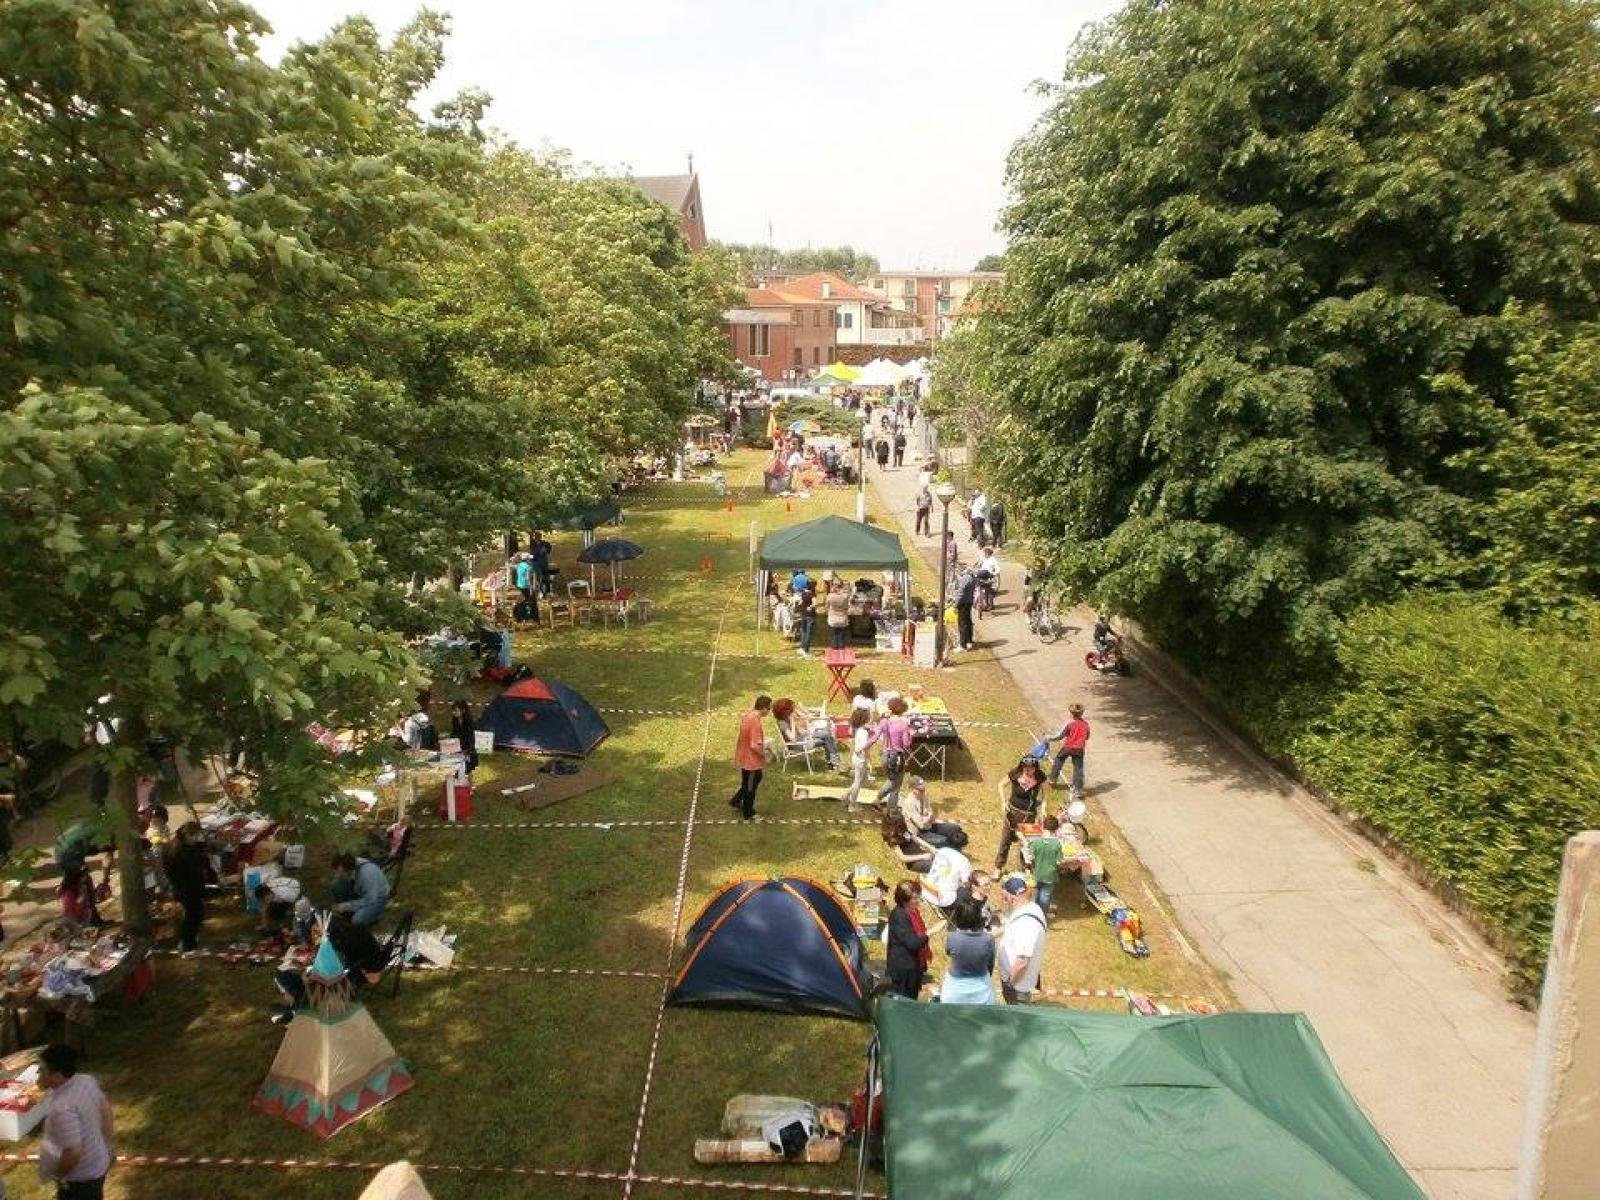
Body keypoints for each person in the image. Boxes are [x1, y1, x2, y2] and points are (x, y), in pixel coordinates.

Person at [37, 1043, 114, 1199]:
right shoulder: (86, 1081)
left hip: (80, 1179)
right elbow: (106, 1112)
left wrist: (59, 1176)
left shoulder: (62, 1107)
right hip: (98, 1162)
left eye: (42, 1069)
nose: (38, 1072)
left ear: (57, 1076)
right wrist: (109, 1146)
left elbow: (73, 1152)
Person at [997, 874, 1047, 1004]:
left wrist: (1010, 983)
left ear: (1011, 897)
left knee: (1016, 1018)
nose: (1003, 901)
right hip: (1017, 981)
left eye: (1004, 897)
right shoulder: (1031, 908)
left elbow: (1022, 962)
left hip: (1018, 986)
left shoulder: (1026, 924)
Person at [939, 897, 997, 1005]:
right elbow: (991, 962)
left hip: (955, 989)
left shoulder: (952, 937)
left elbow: (948, 952)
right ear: (978, 917)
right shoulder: (988, 939)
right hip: (982, 989)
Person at [164, 820, 209, 952]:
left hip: (178, 886)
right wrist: (202, 889)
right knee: (193, 916)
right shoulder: (186, 852)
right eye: (195, 836)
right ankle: (187, 944)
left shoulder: (171, 846)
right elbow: (195, 873)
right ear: (188, 835)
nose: (196, 839)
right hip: (189, 888)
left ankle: (187, 941)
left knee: (188, 915)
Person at [995, 756, 1045, 872]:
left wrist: (1043, 807)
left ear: (1035, 768)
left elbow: (1045, 793)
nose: (1028, 770)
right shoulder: (1015, 773)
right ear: (1022, 766)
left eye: (1031, 768)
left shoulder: (1039, 776)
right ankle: (998, 867)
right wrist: (1003, 801)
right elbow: (1001, 785)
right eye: (1026, 767)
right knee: (1005, 840)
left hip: (1029, 815)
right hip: (1013, 813)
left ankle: (1026, 867)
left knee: (1026, 843)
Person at [885, 880, 932, 1000]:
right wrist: (929, 933)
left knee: (912, 997)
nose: (918, 901)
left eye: (918, 897)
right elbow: (913, 943)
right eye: (914, 898)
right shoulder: (899, 916)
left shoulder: (913, 912)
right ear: (904, 900)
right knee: (902, 999)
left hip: (914, 964)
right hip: (903, 967)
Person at [729, 695, 772, 820]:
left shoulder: (749, 716)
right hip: (751, 761)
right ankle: (749, 813)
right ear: (763, 708)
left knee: (751, 781)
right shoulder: (755, 722)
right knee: (750, 786)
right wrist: (766, 755)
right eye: (768, 708)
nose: (769, 711)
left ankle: (735, 801)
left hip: (744, 756)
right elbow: (754, 745)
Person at [771, 698, 840, 771]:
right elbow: (793, 739)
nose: (794, 710)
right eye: (792, 709)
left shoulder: (786, 719)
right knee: (827, 738)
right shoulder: (782, 723)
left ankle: (832, 763)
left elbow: (800, 732)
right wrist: (792, 722)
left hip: (804, 739)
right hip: (799, 745)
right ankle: (834, 763)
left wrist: (804, 725)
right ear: (786, 711)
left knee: (826, 735)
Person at [330, 850, 392, 928]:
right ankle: (345, 913)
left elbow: (370, 900)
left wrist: (347, 906)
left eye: (341, 872)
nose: (338, 874)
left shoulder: (367, 874)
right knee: (337, 886)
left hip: (377, 899)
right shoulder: (352, 864)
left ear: (348, 869)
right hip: (361, 891)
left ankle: (375, 916)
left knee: (357, 920)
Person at [901, 777, 965, 849]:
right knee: (944, 841)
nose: (923, 791)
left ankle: (955, 849)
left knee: (956, 828)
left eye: (924, 789)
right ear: (913, 789)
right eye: (921, 790)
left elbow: (930, 812)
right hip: (919, 834)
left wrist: (927, 817)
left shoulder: (923, 796)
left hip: (930, 825)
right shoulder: (909, 803)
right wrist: (929, 816)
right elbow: (921, 825)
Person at [1046, 703, 1091, 800]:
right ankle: (1078, 789)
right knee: (1078, 769)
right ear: (1082, 714)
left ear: (1071, 713)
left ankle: (1053, 778)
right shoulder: (1086, 724)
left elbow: (1060, 736)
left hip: (1068, 747)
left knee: (1059, 760)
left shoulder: (1069, 723)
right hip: (1079, 749)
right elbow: (1087, 736)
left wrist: (1049, 738)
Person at [875, 696, 912, 808]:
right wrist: (910, 734)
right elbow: (906, 744)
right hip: (897, 757)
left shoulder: (885, 721)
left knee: (891, 780)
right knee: (896, 785)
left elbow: (876, 734)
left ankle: (878, 800)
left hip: (885, 755)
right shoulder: (903, 724)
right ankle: (891, 810)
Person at [1029, 814, 1066, 916]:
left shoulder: (1037, 842)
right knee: (1045, 896)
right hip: (1050, 876)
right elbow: (1059, 861)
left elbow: (1031, 857)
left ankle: (1033, 912)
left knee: (1036, 893)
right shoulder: (1057, 844)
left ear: (1043, 827)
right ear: (1056, 830)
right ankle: (1041, 915)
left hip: (1038, 873)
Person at [840, 707, 874, 809]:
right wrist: (869, 743)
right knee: (858, 782)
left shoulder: (860, 730)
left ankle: (845, 796)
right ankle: (852, 805)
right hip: (860, 759)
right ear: (865, 720)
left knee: (860, 780)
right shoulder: (863, 732)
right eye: (870, 718)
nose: (871, 720)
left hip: (859, 758)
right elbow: (862, 747)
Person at [953, 567, 979, 653]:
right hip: (969, 602)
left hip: (963, 603)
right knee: (968, 621)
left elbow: (961, 592)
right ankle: (969, 641)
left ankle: (962, 645)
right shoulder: (973, 578)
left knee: (962, 623)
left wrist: (955, 604)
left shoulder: (964, 579)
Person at [450, 699, 478, 773]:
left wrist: (466, 751)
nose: (453, 713)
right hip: (457, 750)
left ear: (463, 711)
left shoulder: (469, 723)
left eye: (456, 710)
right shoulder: (455, 721)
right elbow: (454, 734)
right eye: (453, 710)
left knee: (467, 771)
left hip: (468, 751)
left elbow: (471, 740)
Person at [825, 580, 851, 649]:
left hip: (833, 619)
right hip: (843, 619)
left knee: (834, 635)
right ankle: (841, 651)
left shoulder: (830, 596)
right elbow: (847, 607)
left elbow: (826, 607)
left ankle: (835, 651)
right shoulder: (845, 596)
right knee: (841, 636)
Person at [794, 584, 816, 657]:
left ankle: (802, 647)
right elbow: (815, 604)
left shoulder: (803, 593)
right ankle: (806, 650)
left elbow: (800, 602)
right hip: (810, 616)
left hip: (803, 615)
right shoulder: (812, 594)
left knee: (803, 631)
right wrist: (811, 607)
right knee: (809, 633)